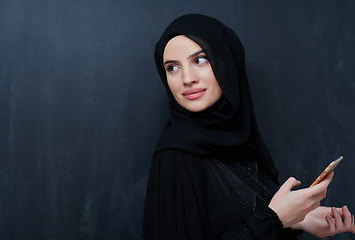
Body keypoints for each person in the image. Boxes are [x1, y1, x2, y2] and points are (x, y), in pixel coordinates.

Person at [142, 13, 355, 240]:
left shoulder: (241, 139)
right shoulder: (175, 153)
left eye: (200, 60)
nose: (187, 78)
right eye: (172, 67)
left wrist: (298, 221)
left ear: (228, 63)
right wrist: (275, 218)